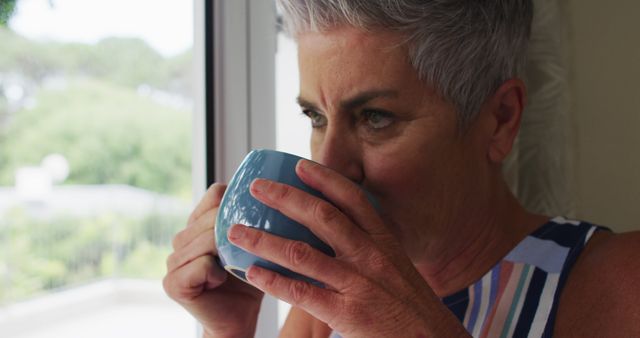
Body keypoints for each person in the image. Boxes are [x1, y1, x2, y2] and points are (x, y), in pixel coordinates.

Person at [163, 1, 640, 337]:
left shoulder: (616, 283)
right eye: (316, 117)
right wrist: (227, 331)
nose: (327, 166)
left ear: (500, 120)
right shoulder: (326, 310)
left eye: (375, 118)